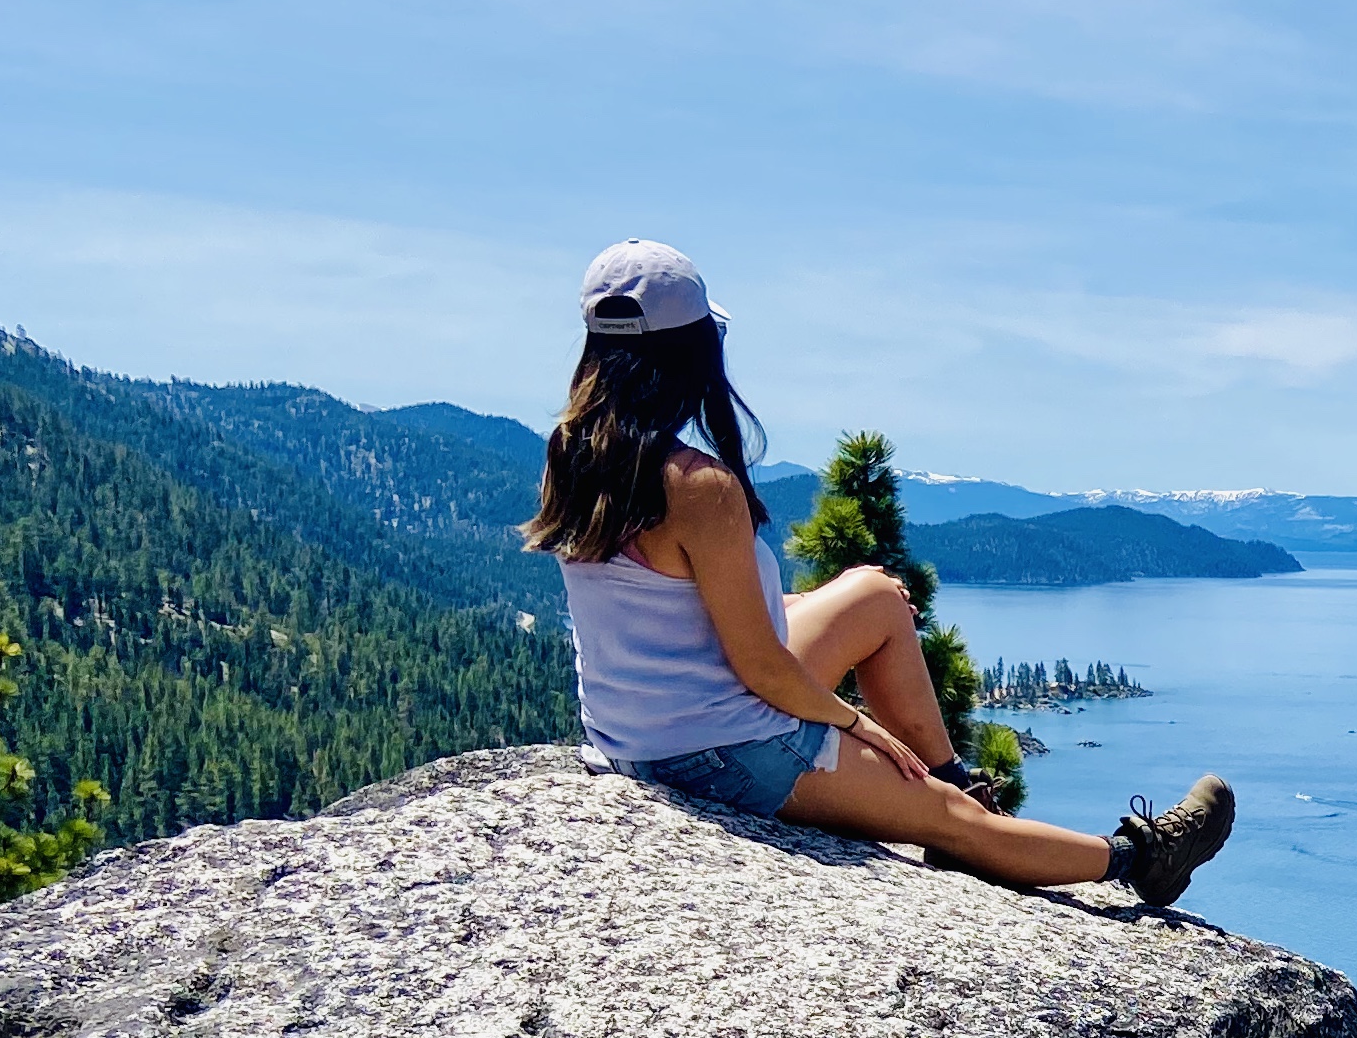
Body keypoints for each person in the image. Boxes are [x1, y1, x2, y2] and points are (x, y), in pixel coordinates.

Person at [523, 239, 1235, 906]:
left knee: (873, 594)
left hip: (636, 734)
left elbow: (671, 601)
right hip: (717, 748)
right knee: (953, 822)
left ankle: (955, 781)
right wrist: (859, 726)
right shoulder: (698, 485)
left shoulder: (574, 455)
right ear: (694, 353)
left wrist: (830, 604)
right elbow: (760, 668)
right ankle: (1140, 858)